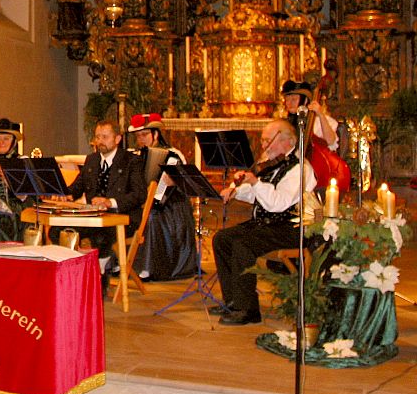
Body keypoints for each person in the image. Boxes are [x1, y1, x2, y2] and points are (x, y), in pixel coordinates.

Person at [212, 119, 317, 325]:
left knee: (243, 245)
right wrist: (236, 191)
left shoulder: (300, 169)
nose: (263, 146)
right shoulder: (273, 164)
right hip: (268, 224)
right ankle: (233, 301)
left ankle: (248, 310)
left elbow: (278, 203)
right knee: (222, 239)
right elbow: (257, 195)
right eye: (262, 140)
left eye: (268, 141)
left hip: (290, 227)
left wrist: (255, 182)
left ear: (288, 142)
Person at [59, 120, 147, 282]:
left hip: (123, 217)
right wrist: (64, 194)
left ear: (117, 139)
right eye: (98, 137)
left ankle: (98, 276)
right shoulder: (91, 160)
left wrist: (110, 202)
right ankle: (69, 276)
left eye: (105, 137)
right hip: (94, 218)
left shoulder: (132, 161)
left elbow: (139, 195)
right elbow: (76, 188)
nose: (100, 141)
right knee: (59, 230)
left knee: (101, 237)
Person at [128, 113, 198, 282]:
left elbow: (172, 186)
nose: (141, 140)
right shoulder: (134, 154)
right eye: (138, 136)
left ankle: (149, 266)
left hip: (171, 205)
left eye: (144, 135)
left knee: (151, 216)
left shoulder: (172, 155)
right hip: (142, 200)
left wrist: (156, 198)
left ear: (156, 134)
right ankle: (121, 261)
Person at [281, 79, 338, 151]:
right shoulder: (285, 123)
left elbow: (330, 141)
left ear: (305, 101)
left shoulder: (317, 121)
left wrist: (320, 115)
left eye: (294, 99)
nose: (289, 103)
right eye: (287, 99)